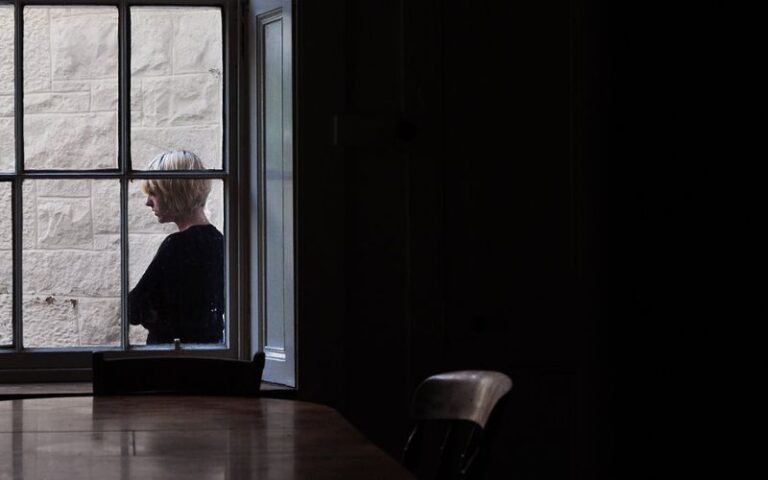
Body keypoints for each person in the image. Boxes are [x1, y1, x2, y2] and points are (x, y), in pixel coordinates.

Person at [128, 150, 224, 345]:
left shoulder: (177, 246)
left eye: (153, 193)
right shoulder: (220, 242)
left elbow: (132, 309)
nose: (148, 202)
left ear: (175, 193)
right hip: (210, 357)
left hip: (171, 363)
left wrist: (155, 315)